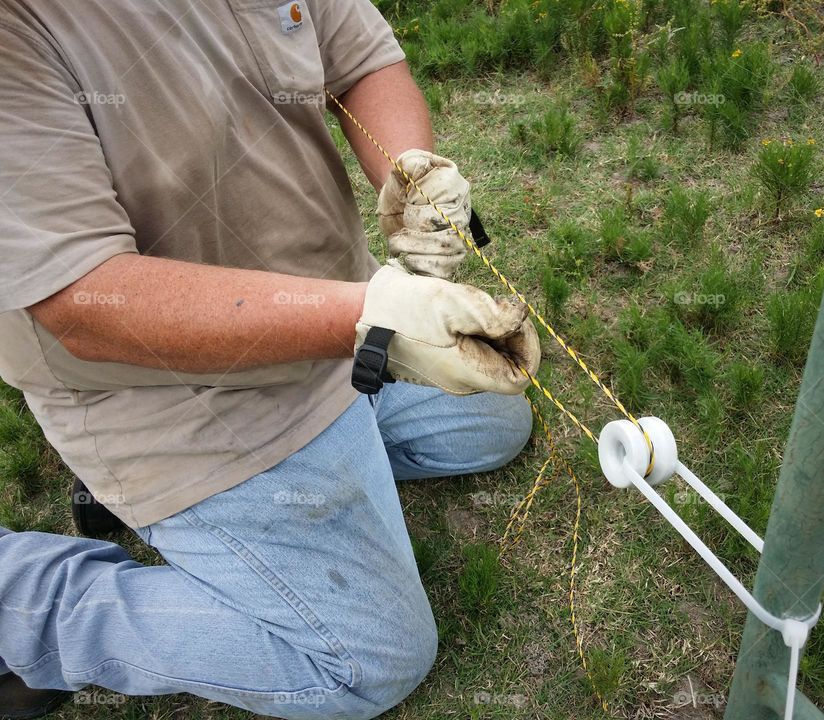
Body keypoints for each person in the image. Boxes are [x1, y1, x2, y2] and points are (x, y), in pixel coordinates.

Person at [0, 1, 540, 718]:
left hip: (323, 316)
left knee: (494, 422)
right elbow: (84, 301)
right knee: (365, 664)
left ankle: (273, 467)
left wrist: (410, 171)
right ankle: (30, 597)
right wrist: (372, 320)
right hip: (173, 394)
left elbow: (361, 58)